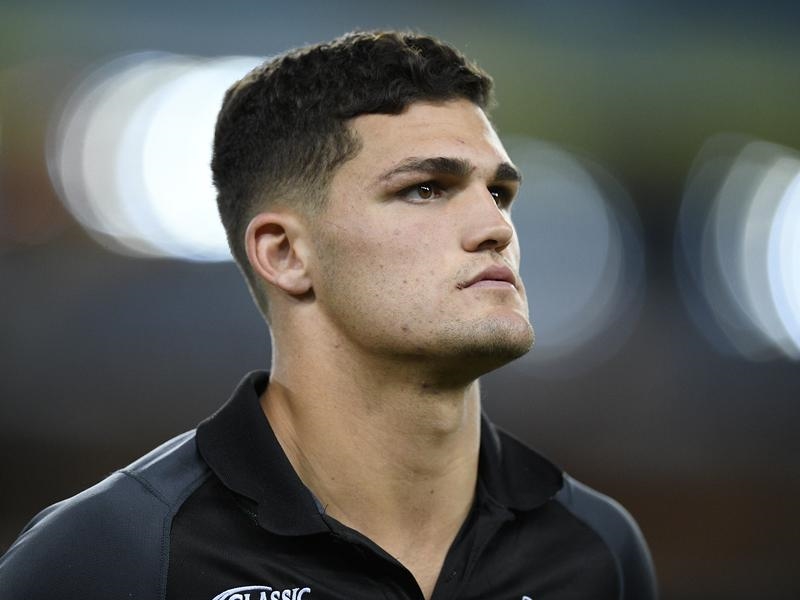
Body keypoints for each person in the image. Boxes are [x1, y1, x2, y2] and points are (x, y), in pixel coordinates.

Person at [0, 31, 657, 599]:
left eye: (499, 192)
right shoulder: (113, 553)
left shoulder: (597, 548)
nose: (496, 228)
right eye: (426, 189)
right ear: (285, 254)